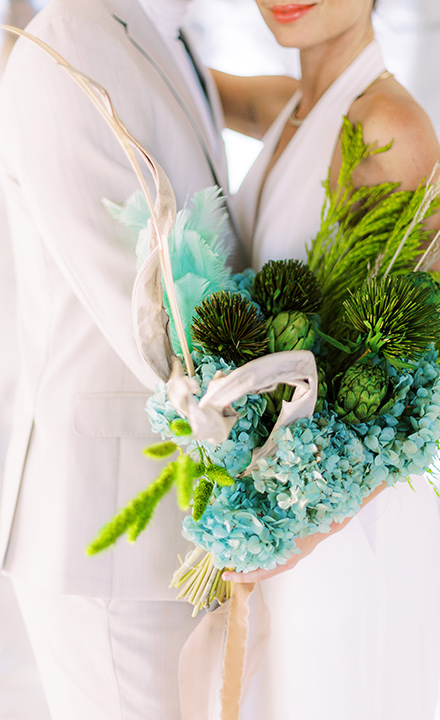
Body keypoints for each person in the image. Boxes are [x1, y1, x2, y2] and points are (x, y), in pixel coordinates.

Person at [213, 0, 440, 718]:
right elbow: (189, 84)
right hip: (287, 508)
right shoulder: (296, 104)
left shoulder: (384, 123)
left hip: (344, 522)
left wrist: (315, 512)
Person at [0, 1, 241, 718]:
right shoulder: (68, 43)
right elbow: (152, 324)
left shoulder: (158, 27)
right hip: (111, 536)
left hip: (169, 520)